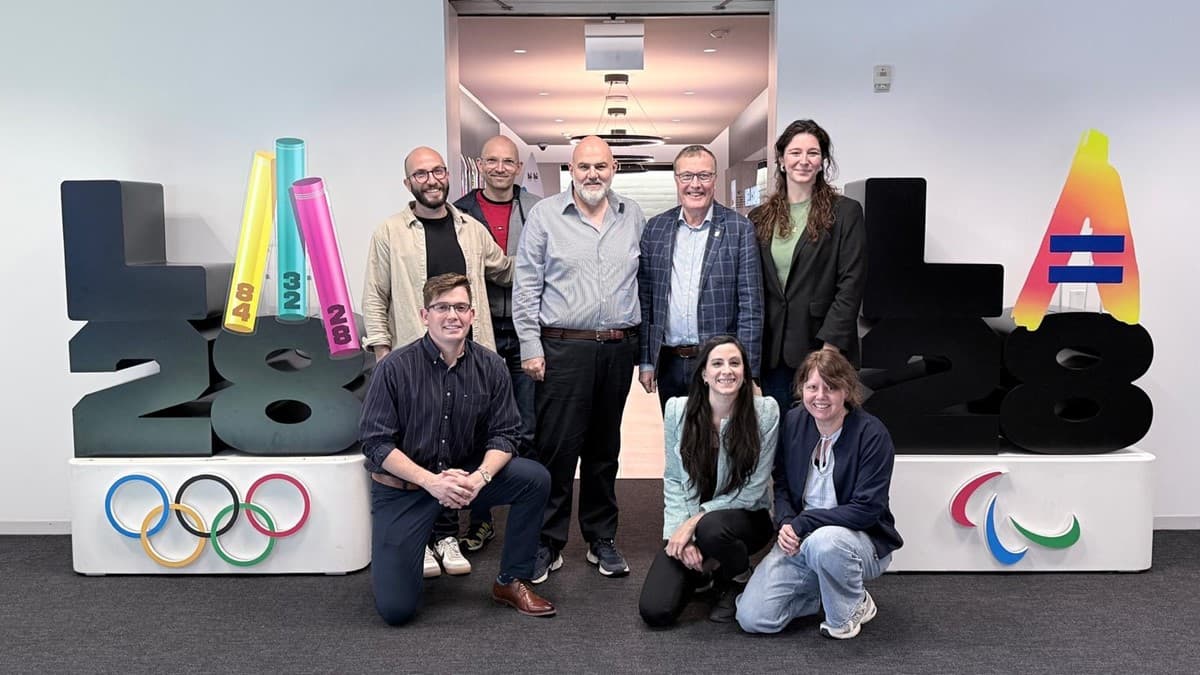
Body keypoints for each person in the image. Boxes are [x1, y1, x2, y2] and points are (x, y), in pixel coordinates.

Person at [360, 273, 555, 625]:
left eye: (460, 307)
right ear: (424, 315)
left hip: (464, 479)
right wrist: (431, 482)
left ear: (472, 314)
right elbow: (375, 444)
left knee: (534, 478)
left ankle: (511, 580)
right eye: (442, 307)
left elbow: (506, 434)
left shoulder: (492, 367)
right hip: (406, 489)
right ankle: (414, 548)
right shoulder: (393, 368)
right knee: (396, 611)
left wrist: (480, 478)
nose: (452, 315)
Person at [362, 146, 513, 578]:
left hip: (468, 357)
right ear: (408, 182)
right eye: (421, 174)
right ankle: (424, 535)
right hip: (412, 361)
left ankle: (447, 534)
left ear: (449, 176)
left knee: (459, 440)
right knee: (419, 447)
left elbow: (504, 270)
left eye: (438, 171)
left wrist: (559, 264)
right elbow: (375, 295)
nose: (432, 179)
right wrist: (383, 355)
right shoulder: (390, 232)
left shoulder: (471, 229)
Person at [512, 135, 646, 582]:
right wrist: (530, 346)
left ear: (614, 170)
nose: (593, 174)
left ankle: (600, 538)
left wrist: (642, 352)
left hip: (617, 348)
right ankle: (547, 542)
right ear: (571, 169)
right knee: (556, 450)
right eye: (584, 166)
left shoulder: (632, 217)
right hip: (562, 348)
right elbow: (527, 285)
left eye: (601, 166)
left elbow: (642, 284)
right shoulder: (546, 216)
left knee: (605, 449)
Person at [736, 348, 902, 639]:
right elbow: (783, 482)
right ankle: (826, 588)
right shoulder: (794, 421)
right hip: (801, 539)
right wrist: (787, 523)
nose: (820, 396)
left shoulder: (872, 434)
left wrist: (803, 524)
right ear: (801, 389)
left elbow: (866, 509)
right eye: (812, 387)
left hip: (858, 540)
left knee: (825, 543)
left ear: (847, 391)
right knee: (753, 618)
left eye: (831, 387)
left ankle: (855, 607)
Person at [638, 336, 778, 627]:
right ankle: (706, 569)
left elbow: (752, 489)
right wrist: (681, 532)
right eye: (717, 363)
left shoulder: (765, 412)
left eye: (735, 363)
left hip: (747, 518)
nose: (726, 371)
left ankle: (736, 577)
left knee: (712, 528)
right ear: (703, 373)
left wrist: (695, 523)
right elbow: (675, 480)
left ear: (744, 373)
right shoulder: (677, 410)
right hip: (694, 520)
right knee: (656, 610)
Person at [453, 135, 541, 553]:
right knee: (476, 426)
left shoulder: (538, 209)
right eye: (493, 160)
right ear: (480, 165)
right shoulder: (460, 213)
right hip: (478, 332)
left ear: (519, 167)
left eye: (509, 161)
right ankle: (480, 519)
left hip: (527, 332)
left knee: (527, 426)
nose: (501, 168)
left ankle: (528, 512)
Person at [749, 120, 866, 414]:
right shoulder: (760, 217)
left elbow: (850, 284)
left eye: (812, 153)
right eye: (795, 152)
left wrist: (829, 352)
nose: (804, 160)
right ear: (781, 159)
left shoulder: (846, 213)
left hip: (823, 348)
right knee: (782, 444)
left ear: (823, 160)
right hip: (774, 354)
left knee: (825, 438)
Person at [637, 145, 763, 412]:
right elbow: (647, 300)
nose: (696, 185)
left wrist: (748, 370)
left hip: (720, 365)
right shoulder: (655, 228)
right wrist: (647, 361)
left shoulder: (739, 229)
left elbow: (751, 307)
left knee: (720, 445)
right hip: (670, 362)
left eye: (704, 176)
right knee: (677, 441)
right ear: (676, 180)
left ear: (715, 180)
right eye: (687, 176)